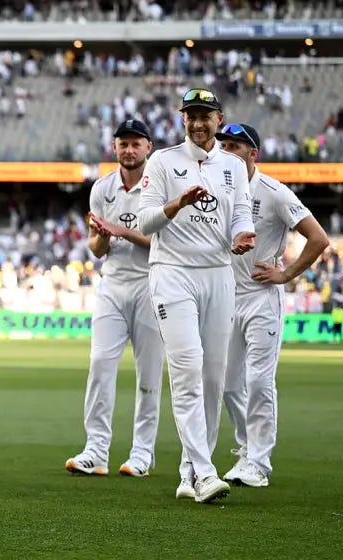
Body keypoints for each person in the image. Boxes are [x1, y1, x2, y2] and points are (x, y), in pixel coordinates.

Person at [138, 88, 256, 504]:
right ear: (182, 119)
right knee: (187, 368)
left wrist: (243, 234)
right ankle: (206, 473)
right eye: (192, 115)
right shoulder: (162, 161)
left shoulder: (233, 166)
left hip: (218, 274)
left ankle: (189, 470)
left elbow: (240, 212)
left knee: (213, 378)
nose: (199, 123)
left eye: (206, 115)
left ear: (219, 119)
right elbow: (145, 221)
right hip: (172, 273)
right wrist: (177, 203)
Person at [216, 123, 329, 487]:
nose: (226, 151)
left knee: (259, 380)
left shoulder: (274, 192)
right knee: (228, 384)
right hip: (226, 297)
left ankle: (259, 464)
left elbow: (318, 238)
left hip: (262, 297)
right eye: (223, 145)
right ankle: (247, 449)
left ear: (254, 154)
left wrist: (287, 274)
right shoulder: (217, 190)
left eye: (234, 146)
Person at [65, 119, 164, 478]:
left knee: (148, 373)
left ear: (148, 147)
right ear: (115, 147)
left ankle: (142, 454)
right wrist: (103, 237)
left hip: (151, 285)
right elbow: (95, 248)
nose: (129, 150)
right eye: (124, 143)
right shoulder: (102, 188)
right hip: (112, 285)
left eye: (136, 144)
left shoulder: (161, 185)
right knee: (100, 365)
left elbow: (165, 243)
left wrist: (122, 230)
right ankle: (96, 451)